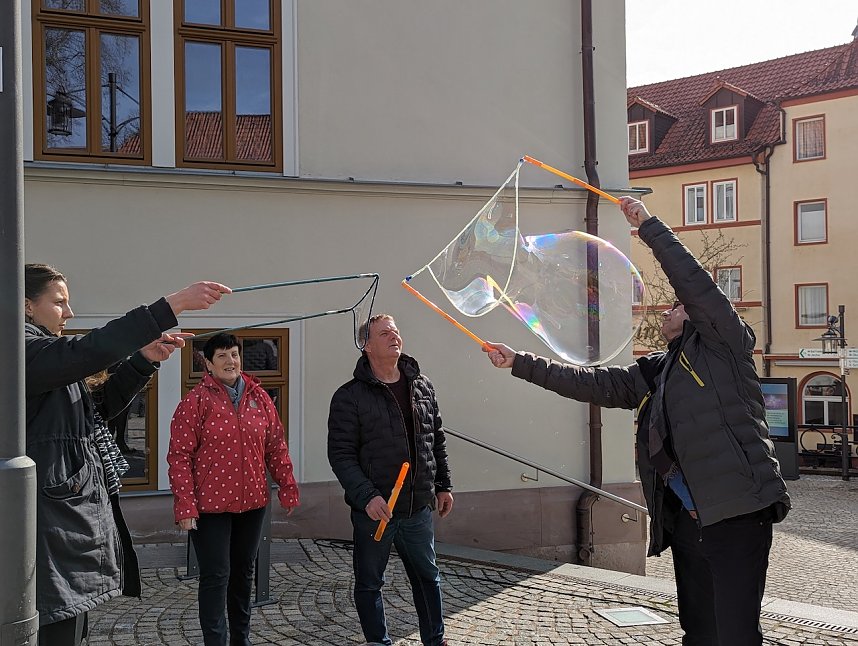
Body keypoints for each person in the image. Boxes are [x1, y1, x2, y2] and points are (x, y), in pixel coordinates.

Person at [484, 197, 791, 646]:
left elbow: (694, 282)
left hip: (737, 511)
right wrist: (520, 362)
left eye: (677, 307)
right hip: (688, 519)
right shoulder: (660, 368)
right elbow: (595, 384)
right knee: (699, 631)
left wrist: (647, 226)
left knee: (736, 634)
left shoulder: (725, 345)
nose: (668, 310)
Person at [24, 262, 230, 645]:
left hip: (64, 526)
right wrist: (170, 306)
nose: (69, 312)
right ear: (26, 305)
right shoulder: (20, 349)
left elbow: (96, 409)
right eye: (59, 302)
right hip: (48, 529)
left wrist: (143, 360)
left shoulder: (44, 355)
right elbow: (87, 351)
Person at [328, 314, 453, 646]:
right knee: (370, 583)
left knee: (428, 578)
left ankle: (435, 640)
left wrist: (443, 485)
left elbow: (436, 439)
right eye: (384, 333)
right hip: (376, 510)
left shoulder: (422, 386)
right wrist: (367, 496)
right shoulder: (349, 397)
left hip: (417, 507)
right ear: (366, 345)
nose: (394, 337)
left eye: (395, 331)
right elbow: (341, 455)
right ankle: (378, 642)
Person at [167, 333, 299, 646]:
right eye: (222, 356)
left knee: (243, 574)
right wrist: (185, 505)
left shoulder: (259, 398)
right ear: (209, 363)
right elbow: (179, 456)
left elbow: (275, 446)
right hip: (210, 508)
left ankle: (241, 640)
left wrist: (287, 485)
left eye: (235, 354)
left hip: (252, 504)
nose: (231, 361)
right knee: (216, 576)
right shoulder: (195, 402)